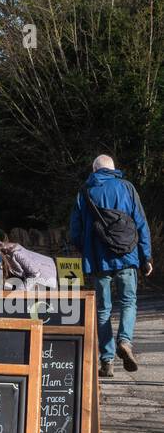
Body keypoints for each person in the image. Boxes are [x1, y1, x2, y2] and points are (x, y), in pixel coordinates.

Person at [69, 154, 152, 378]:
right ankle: (125, 341)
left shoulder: (85, 192)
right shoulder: (127, 187)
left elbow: (75, 231)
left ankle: (107, 362)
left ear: (94, 169)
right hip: (127, 255)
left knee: (103, 310)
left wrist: (86, 249)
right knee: (128, 302)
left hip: (98, 260)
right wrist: (146, 257)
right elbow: (141, 222)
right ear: (113, 168)